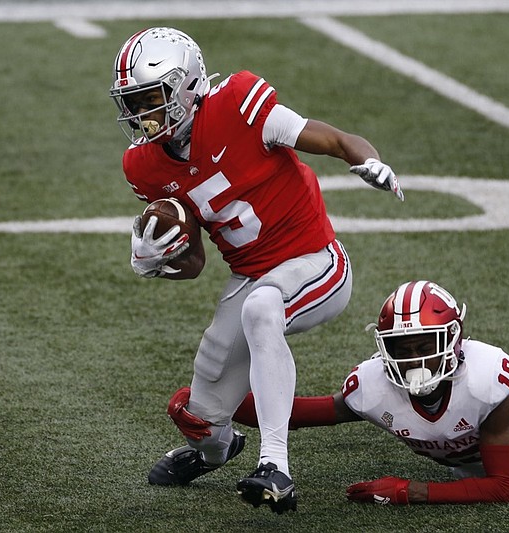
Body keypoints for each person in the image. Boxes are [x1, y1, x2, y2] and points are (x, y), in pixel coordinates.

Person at [109, 27, 404, 514]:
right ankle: (219, 451)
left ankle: (276, 466)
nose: (141, 115)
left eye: (150, 98)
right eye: (133, 103)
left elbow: (334, 138)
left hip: (316, 260)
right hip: (250, 275)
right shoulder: (143, 165)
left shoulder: (237, 103)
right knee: (201, 414)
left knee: (263, 307)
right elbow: (197, 262)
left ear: (185, 87)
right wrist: (159, 260)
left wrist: (369, 161)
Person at [172, 280, 509, 505]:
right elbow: (293, 412)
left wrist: (408, 491)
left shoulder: (486, 380)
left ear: (454, 340)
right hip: (474, 459)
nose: (415, 360)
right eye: (402, 348)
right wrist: (207, 405)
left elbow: (508, 487)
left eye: (425, 345)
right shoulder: (374, 386)